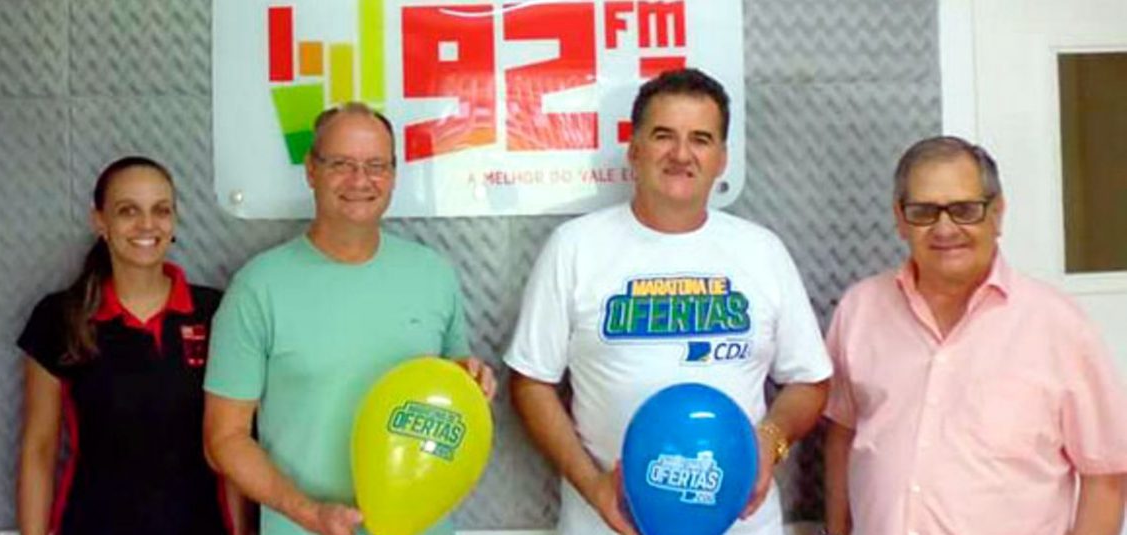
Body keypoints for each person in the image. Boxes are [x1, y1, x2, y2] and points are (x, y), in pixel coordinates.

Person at [504, 68, 832, 535]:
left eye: (701, 139)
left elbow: (810, 381)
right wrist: (593, 485)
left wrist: (770, 441)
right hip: (608, 523)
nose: (681, 154)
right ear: (634, 150)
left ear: (721, 159)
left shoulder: (762, 251)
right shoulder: (574, 247)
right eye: (663, 136)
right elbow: (531, 383)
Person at [203, 102, 497, 535]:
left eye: (376, 165)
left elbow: (450, 400)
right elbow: (224, 440)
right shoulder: (258, 287)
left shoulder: (433, 275)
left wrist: (470, 380)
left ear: (393, 175)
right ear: (311, 170)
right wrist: (309, 513)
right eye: (341, 164)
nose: (360, 180)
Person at [823, 136, 1127, 535]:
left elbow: (1105, 474)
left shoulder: (1058, 326)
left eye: (965, 210)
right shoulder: (860, 310)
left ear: (997, 213)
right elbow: (842, 437)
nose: (945, 228)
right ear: (900, 218)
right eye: (924, 212)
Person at [16, 156, 249, 535]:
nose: (147, 224)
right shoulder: (61, 317)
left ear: (174, 221)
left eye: (161, 210)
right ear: (100, 222)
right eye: (128, 211)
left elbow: (235, 444)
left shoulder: (216, 312)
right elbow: (39, 449)